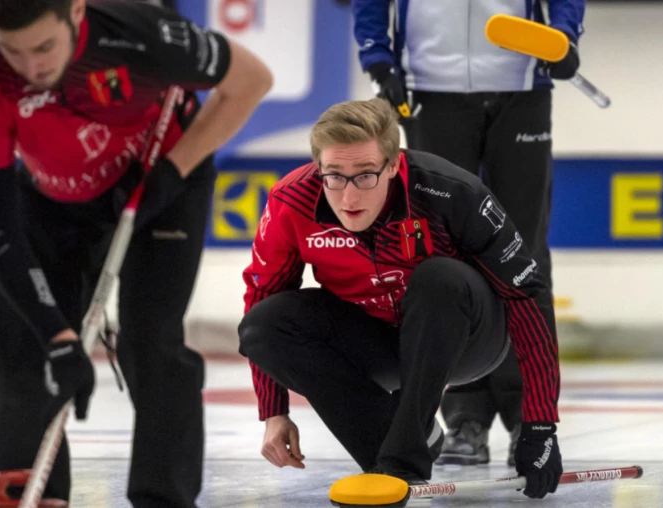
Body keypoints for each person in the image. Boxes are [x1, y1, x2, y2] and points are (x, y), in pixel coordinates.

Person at [0, 0, 272, 506]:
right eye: (13, 50)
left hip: (159, 179)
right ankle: (30, 495)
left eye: (43, 47)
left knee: (151, 342)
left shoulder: (141, 34)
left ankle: (162, 498)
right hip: (49, 194)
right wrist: (58, 336)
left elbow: (252, 80)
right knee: (19, 346)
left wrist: (172, 171)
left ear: (76, 12)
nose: (31, 68)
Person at [238, 98, 562, 498]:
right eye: (334, 176)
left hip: (470, 338)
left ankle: (400, 462)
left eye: (366, 175)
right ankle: (397, 449)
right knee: (262, 325)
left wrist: (541, 426)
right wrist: (274, 411)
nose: (349, 196)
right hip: (376, 339)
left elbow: (526, 295)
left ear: (393, 165)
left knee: (440, 277)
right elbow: (263, 292)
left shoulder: (450, 191)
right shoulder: (292, 201)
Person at [351, 0, 584, 466]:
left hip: (521, 89)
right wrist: (378, 57)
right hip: (429, 91)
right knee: (445, 253)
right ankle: (464, 416)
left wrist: (564, 36)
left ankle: (530, 416)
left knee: (525, 254)